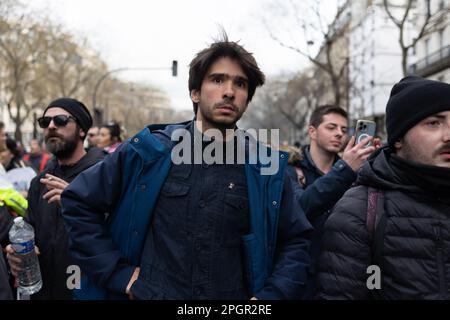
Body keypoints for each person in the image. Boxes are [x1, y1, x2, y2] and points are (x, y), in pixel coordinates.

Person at [61, 34, 312, 300]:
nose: (229, 91)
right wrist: (119, 275)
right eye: (217, 80)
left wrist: (269, 297)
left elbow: (296, 241)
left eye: (240, 83)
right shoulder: (149, 151)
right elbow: (78, 202)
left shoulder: (266, 167)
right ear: (195, 92)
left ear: (247, 99)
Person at [316, 76, 450, 299]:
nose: (448, 136)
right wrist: (344, 171)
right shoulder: (359, 211)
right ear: (398, 138)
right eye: (433, 123)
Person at [5, 98, 106, 300]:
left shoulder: (105, 175)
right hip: (42, 291)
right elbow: (29, 228)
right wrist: (16, 251)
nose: (51, 126)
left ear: (82, 130)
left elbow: (120, 232)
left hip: (87, 290)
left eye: (60, 120)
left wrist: (77, 203)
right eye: (45, 122)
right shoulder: (39, 182)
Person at [290, 105, 377, 299]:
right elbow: (300, 209)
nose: (339, 134)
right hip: (302, 280)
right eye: (331, 127)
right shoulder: (292, 169)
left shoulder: (356, 171)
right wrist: (345, 169)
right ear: (312, 131)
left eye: (344, 130)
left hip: (344, 279)